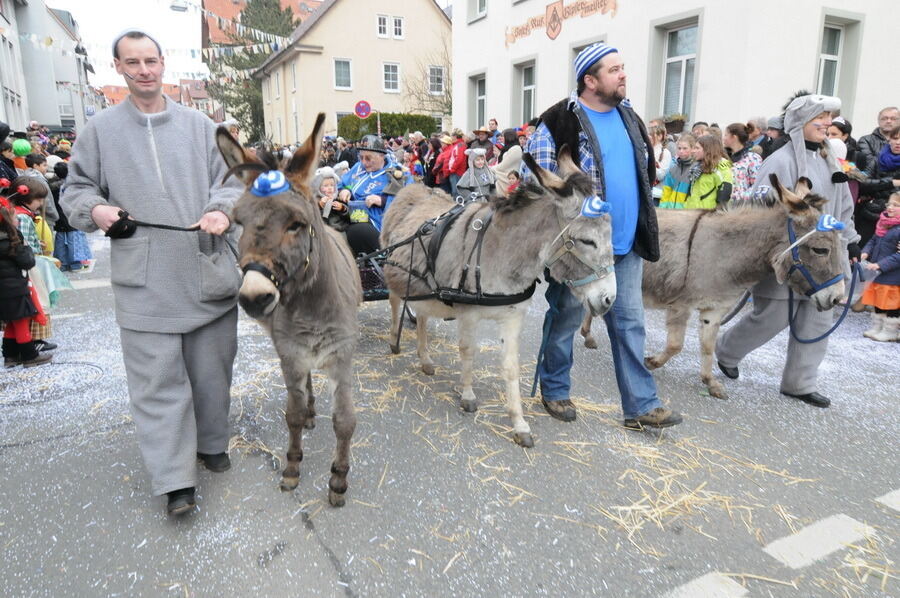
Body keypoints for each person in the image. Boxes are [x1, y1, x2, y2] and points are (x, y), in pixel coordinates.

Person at [61, 29, 243, 516]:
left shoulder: (201, 126)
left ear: (163, 64)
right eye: (132, 62)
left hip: (205, 268)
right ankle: (175, 479)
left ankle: (210, 443)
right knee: (157, 383)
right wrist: (96, 211)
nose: (144, 70)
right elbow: (75, 191)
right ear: (117, 67)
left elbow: (230, 181)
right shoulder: (99, 131)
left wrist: (221, 212)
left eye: (151, 61)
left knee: (211, 375)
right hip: (145, 280)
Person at [521, 42, 682, 429]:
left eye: (623, 67)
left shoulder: (629, 116)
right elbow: (537, 185)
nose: (624, 74)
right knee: (565, 319)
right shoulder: (558, 122)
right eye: (614, 70)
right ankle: (555, 389)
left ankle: (641, 406)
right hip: (581, 250)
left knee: (630, 324)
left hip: (624, 244)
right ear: (590, 81)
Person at [716, 92, 859, 409]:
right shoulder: (779, 161)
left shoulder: (830, 161)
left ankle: (800, 383)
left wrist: (851, 239)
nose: (826, 123)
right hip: (787, 257)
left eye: (829, 118)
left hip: (825, 259)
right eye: (819, 117)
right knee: (772, 316)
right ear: (800, 121)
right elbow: (761, 211)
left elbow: (845, 207)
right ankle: (727, 350)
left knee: (818, 319)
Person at [338, 134, 412, 255]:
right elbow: (344, 184)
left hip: (379, 225)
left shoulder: (398, 173)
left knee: (357, 231)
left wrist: (382, 200)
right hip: (350, 217)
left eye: (368, 158)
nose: (364, 162)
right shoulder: (358, 168)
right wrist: (346, 190)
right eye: (361, 157)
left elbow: (407, 201)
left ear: (382, 156)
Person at [0, 194, 51, 368]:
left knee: (11, 323)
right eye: (15, 217)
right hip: (15, 289)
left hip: (4, 291)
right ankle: (30, 356)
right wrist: (27, 248)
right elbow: (27, 261)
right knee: (22, 322)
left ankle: (10, 356)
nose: (18, 220)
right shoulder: (12, 240)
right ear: (7, 220)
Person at [859, 192, 900, 341]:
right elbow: (873, 240)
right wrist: (865, 252)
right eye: (889, 204)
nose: (890, 207)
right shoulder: (884, 224)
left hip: (893, 276)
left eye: (896, 205)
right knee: (878, 300)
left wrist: (880, 265)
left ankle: (890, 331)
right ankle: (877, 326)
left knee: (890, 303)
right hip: (878, 273)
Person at [857, 126, 900, 246]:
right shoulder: (877, 160)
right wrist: (891, 182)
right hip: (872, 214)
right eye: (895, 138)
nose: (898, 142)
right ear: (889, 140)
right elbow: (863, 182)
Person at [50, 162, 92, 271]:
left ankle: (62, 263)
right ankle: (75, 264)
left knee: (60, 239)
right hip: (72, 214)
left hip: (59, 215)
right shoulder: (74, 185)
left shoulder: (52, 186)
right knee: (74, 239)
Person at [684, 135, 733, 210]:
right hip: (691, 213)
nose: (693, 151)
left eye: (697, 148)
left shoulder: (721, 169)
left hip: (707, 216)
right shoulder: (696, 168)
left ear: (708, 150)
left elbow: (724, 198)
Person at [724, 123, 763, 203]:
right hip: (723, 206)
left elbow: (757, 184)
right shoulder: (724, 157)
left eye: (726, 135)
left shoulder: (753, 158)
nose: (723, 138)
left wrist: (740, 199)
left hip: (742, 208)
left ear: (734, 137)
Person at [857, 107, 900, 172]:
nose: (888, 121)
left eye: (893, 119)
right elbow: (870, 166)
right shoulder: (866, 140)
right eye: (884, 118)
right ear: (878, 121)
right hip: (876, 179)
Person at [659, 133, 695, 209]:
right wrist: (663, 208)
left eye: (685, 148)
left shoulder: (695, 169)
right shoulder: (673, 168)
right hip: (670, 209)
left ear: (692, 149)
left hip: (685, 211)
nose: (681, 151)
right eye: (679, 148)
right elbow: (666, 192)